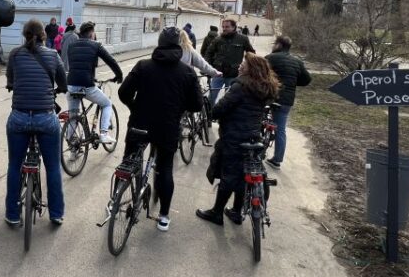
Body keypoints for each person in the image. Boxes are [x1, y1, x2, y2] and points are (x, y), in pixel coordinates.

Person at [119, 27, 203, 231]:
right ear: (179, 46)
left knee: (129, 161)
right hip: (167, 126)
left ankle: (116, 201)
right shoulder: (187, 72)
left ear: (159, 42)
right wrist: (179, 109)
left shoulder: (143, 65)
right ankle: (164, 216)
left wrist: (134, 107)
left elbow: (123, 92)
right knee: (165, 168)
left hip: (139, 123)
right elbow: (197, 105)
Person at [196, 53, 280, 226]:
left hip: (234, 136)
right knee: (244, 173)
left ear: (252, 68)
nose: (240, 66)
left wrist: (213, 113)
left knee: (228, 175)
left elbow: (221, 107)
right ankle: (236, 211)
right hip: (253, 136)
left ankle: (217, 213)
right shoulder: (265, 87)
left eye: (244, 64)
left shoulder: (240, 86)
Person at [4, 19, 67, 225]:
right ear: (43, 35)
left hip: (19, 117)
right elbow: (63, 83)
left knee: (14, 165)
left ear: (24, 35)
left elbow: (10, 81)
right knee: (53, 167)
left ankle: (12, 215)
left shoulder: (14, 54)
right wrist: (59, 89)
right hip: (46, 118)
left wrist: (14, 85)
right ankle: (56, 214)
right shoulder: (53, 55)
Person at [66, 21, 124, 144]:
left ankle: (71, 142)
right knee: (107, 104)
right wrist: (119, 76)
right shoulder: (96, 45)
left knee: (73, 116)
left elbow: (75, 65)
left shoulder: (72, 46)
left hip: (71, 85)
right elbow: (111, 61)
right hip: (86, 86)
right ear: (92, 33)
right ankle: (104, 133)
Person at [265, 35, 312, 170]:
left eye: (274, 43)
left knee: (256, 118)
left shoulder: (270, 58)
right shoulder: (297, 61)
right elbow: (307, 80)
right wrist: (292, 82)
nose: (273, 46)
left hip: (270, 96)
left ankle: (255, 150)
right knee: (280, 129)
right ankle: (277, 160)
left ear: (279, 45)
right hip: (287, 100)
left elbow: (259, 73)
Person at [205, 18, 256, 105]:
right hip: (218, 73)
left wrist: (247, 67)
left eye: (227, 27)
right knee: (212, 96)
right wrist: (209, 68)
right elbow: (208, 53)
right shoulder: (218, 39)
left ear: (234, 27)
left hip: (234, 74)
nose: (224, 29)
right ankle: (209, 116)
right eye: (223, 27)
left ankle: (226, 117)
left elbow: (251, 53)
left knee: (230, 99)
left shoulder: (243, 39)